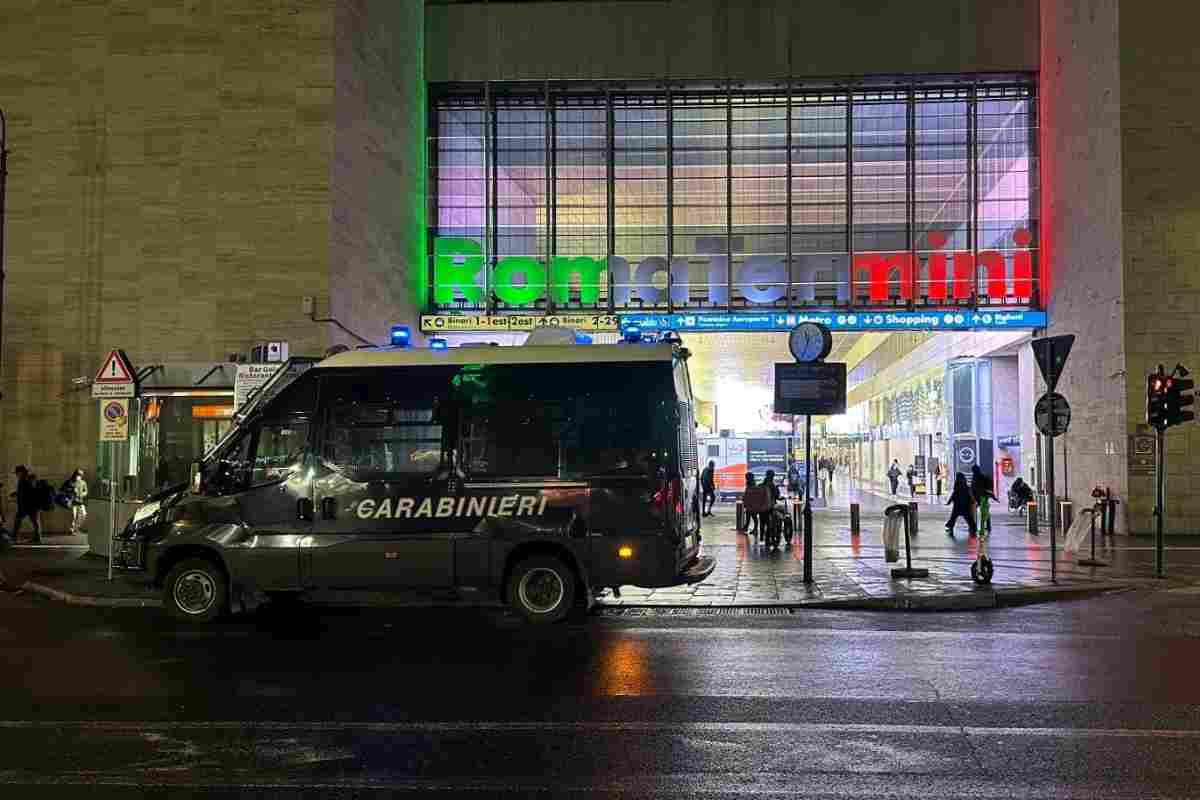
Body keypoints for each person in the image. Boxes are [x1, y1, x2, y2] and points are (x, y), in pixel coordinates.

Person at [10, 465, 41, 544]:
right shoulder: (26, 479)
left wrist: (17, 494)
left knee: (18, 521)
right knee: (34, 522)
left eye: (17, 473)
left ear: (21, 472)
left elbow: (27, 492)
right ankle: (37, 538)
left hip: (27, 505)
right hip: (30, 505)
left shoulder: (26, 479)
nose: (16, 475)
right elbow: (25, 491)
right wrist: (16, 493)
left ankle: (14, 537)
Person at [945, 472, 977, 537]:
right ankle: (973, 528)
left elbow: (954, 494)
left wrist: (949, 501)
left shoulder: (957, 486)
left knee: (954, 516)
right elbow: (970, 494)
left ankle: (950, 527)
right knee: (968, 517)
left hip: (957, 504)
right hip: (965, 504)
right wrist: (973, 501)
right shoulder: (965, 486)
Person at [971, 464, 998, 535]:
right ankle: (985, 526)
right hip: (980, 497)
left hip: (982, 497)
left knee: (983, 513)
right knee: (984, 513)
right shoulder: (976, 476)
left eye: (973, 470)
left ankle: (983, 529)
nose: (973, 471)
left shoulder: (978, 477)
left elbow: (981, 488)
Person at [67, 469, 89, 535]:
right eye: (77, 475)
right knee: (74, 516)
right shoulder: (71, 482)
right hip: (73, 502)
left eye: (79, 475)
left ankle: (76, 528)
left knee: (84, 515)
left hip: (80, 502)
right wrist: (72, 491)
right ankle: (72, 529)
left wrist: (82, 494)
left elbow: (86, 491)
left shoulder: (83, 482)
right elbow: (66, 490)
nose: (78, 476)